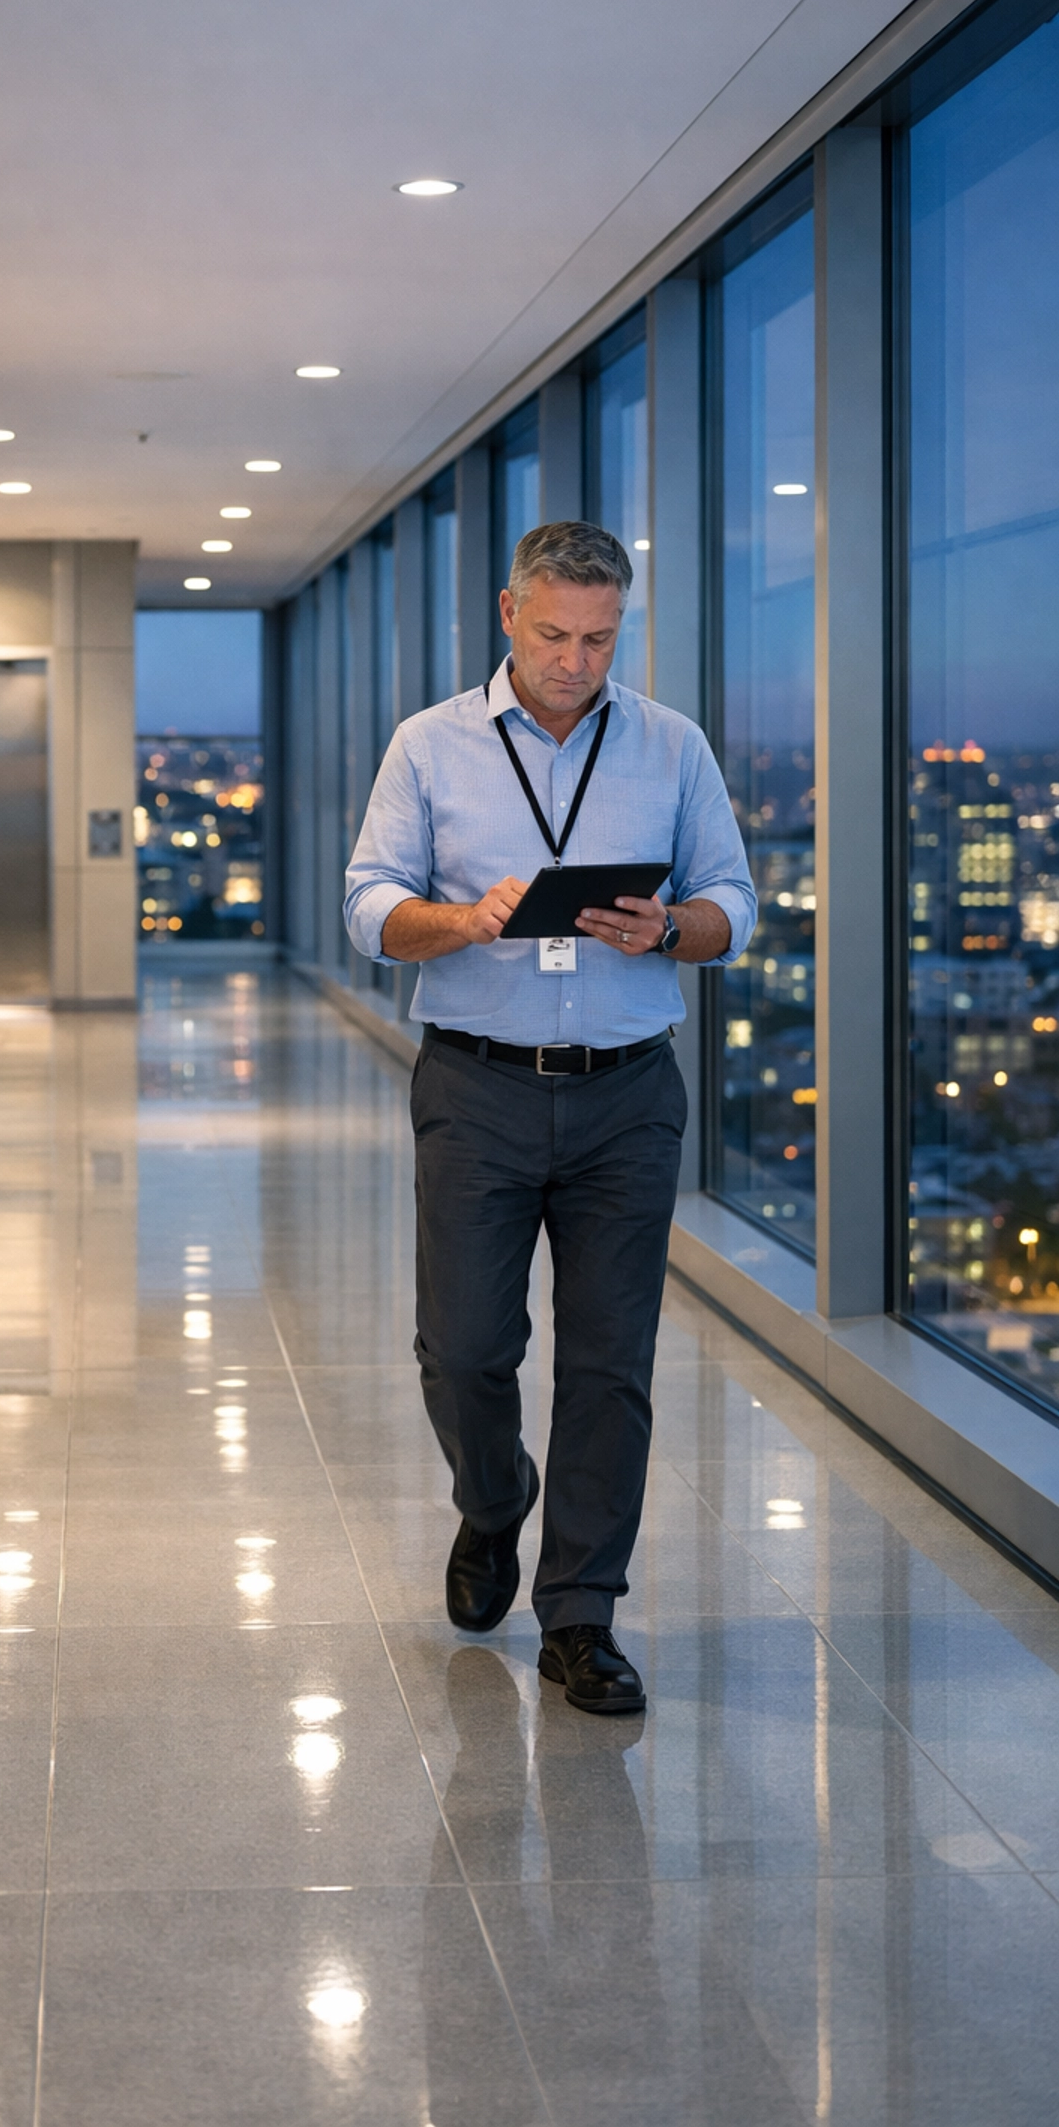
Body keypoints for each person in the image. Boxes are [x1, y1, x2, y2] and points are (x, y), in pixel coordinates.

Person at [344, 521, 756, 1712]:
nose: (579, 660)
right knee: (466, 1348)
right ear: (510, 615)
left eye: (602, 636)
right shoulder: (430, 746)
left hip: (629, 1090)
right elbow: (369, 907)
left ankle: (581, 1615)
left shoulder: (671, 747)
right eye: (557, 634)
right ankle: (491, 1500)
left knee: (609, 1362)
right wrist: (464, 920)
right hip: (476, 1083)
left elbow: (734, 900)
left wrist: (668, 929)